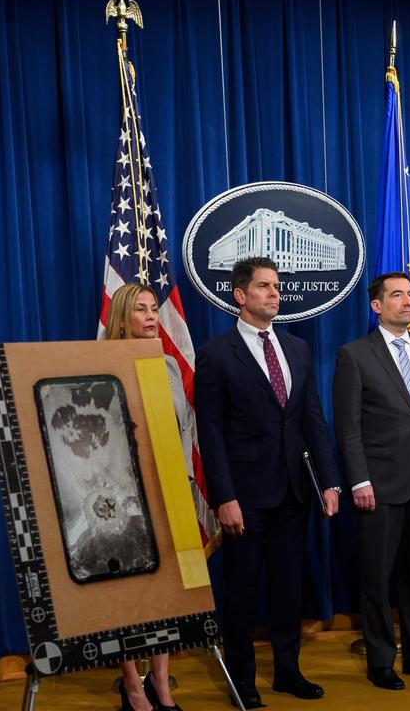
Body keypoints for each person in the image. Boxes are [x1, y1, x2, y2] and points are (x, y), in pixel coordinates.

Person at [195, 257, 342, 708]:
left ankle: (288, 672)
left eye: (277, 286)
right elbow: (211, 433)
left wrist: (330, 481)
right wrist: (225, 497)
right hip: (245, 496)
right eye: (264, 286)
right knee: (241, 593)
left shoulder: (296, 348)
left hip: (294, 492)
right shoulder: (217, 354)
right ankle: (243, 681)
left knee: (287, 588)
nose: (274, 293)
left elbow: (312, 419)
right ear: (240, 296)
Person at [332, 273, 410, 691]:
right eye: (398, 296)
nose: (408, 303)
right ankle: (381, 660)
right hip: (379, 485)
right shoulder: (354, 355)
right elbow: (348, 428)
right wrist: (359, 481)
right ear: (376, 306)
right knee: (377, 576)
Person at [104, 282, 190, 711]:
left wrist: (187, 482)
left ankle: (161, 682)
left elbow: (183, 428)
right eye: (141, 309)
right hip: (122, 496)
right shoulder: (103, 366)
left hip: (169, 490)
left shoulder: (170, 366)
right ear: (122, 318)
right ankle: (132, 686)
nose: (152, 315)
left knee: (166, 592)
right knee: (129, 593)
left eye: (154, 307)